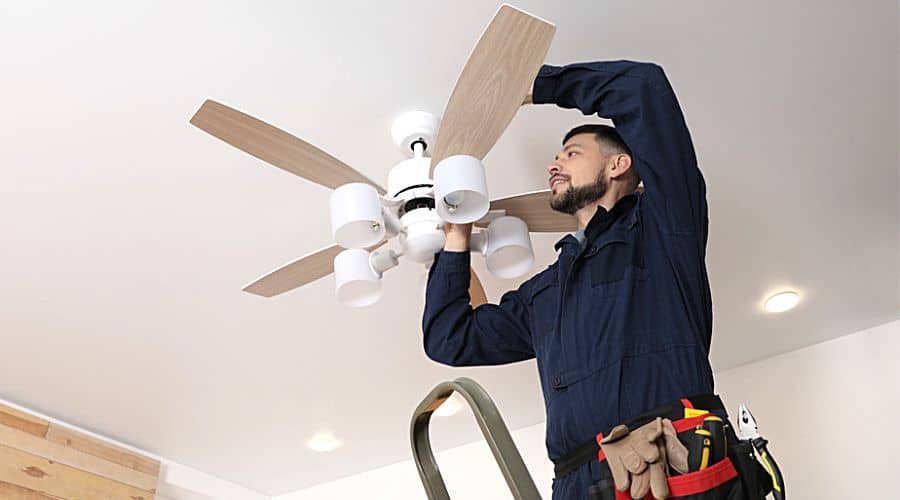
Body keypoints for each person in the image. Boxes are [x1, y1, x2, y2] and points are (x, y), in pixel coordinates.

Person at [423, 60, 726, 500]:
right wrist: (456, 236)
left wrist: (527, 84)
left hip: (671, 462)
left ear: (620, 164)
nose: (555, 164)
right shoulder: (545, 294)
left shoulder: (662, 230)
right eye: (557, 156)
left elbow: (643, 86)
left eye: (572, 154)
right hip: (576, 484)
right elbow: (450, 337)